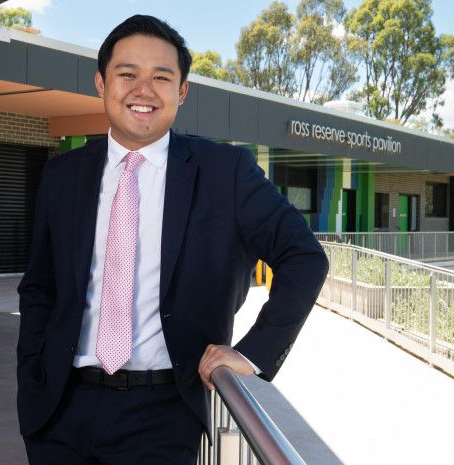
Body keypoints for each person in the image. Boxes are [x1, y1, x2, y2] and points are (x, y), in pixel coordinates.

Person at [16, 14, 328, 465]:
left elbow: (304, 257)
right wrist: (32, 377)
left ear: (181, 92)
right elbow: (40, 286)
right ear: (101, 83)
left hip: (163, 415)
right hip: (59, 413)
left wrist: (253, 354)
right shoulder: (63, 174)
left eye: (161, 78)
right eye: (127, 74)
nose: (144, 91)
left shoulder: (226, 172)